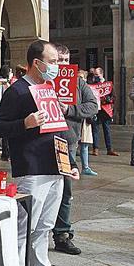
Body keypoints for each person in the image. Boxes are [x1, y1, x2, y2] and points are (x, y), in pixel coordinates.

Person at [0, 40, 78, 266]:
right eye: (52, 61)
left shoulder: (48, 89)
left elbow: (58, 131)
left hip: (55, 167)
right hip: (32, 168)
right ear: (36, 63)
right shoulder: (17, 91)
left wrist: (69, 164)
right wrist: (25, 123)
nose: (57, 66)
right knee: (24, 227)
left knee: (45, 226)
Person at [53, 45, 99, 255]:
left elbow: (92, 106)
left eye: (66, 59)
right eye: (59, 59)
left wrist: (70, 110)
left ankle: (62, 234)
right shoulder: (43, 82)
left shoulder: (78, 83)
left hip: (68, 141)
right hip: (43, 140)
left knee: (65, 189)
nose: (63, 63)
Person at [89, 66, 117, 155]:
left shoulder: (108, 85)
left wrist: (109, 100)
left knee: (107, 129)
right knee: (95, 129)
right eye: (94, 75)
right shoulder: (92, 84)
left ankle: (109, 149)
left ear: (101, 74)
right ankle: (95, 148)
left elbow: (113, 96)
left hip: (105, 109)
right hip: (96, 109)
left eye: (97, 74)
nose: (95, 76)